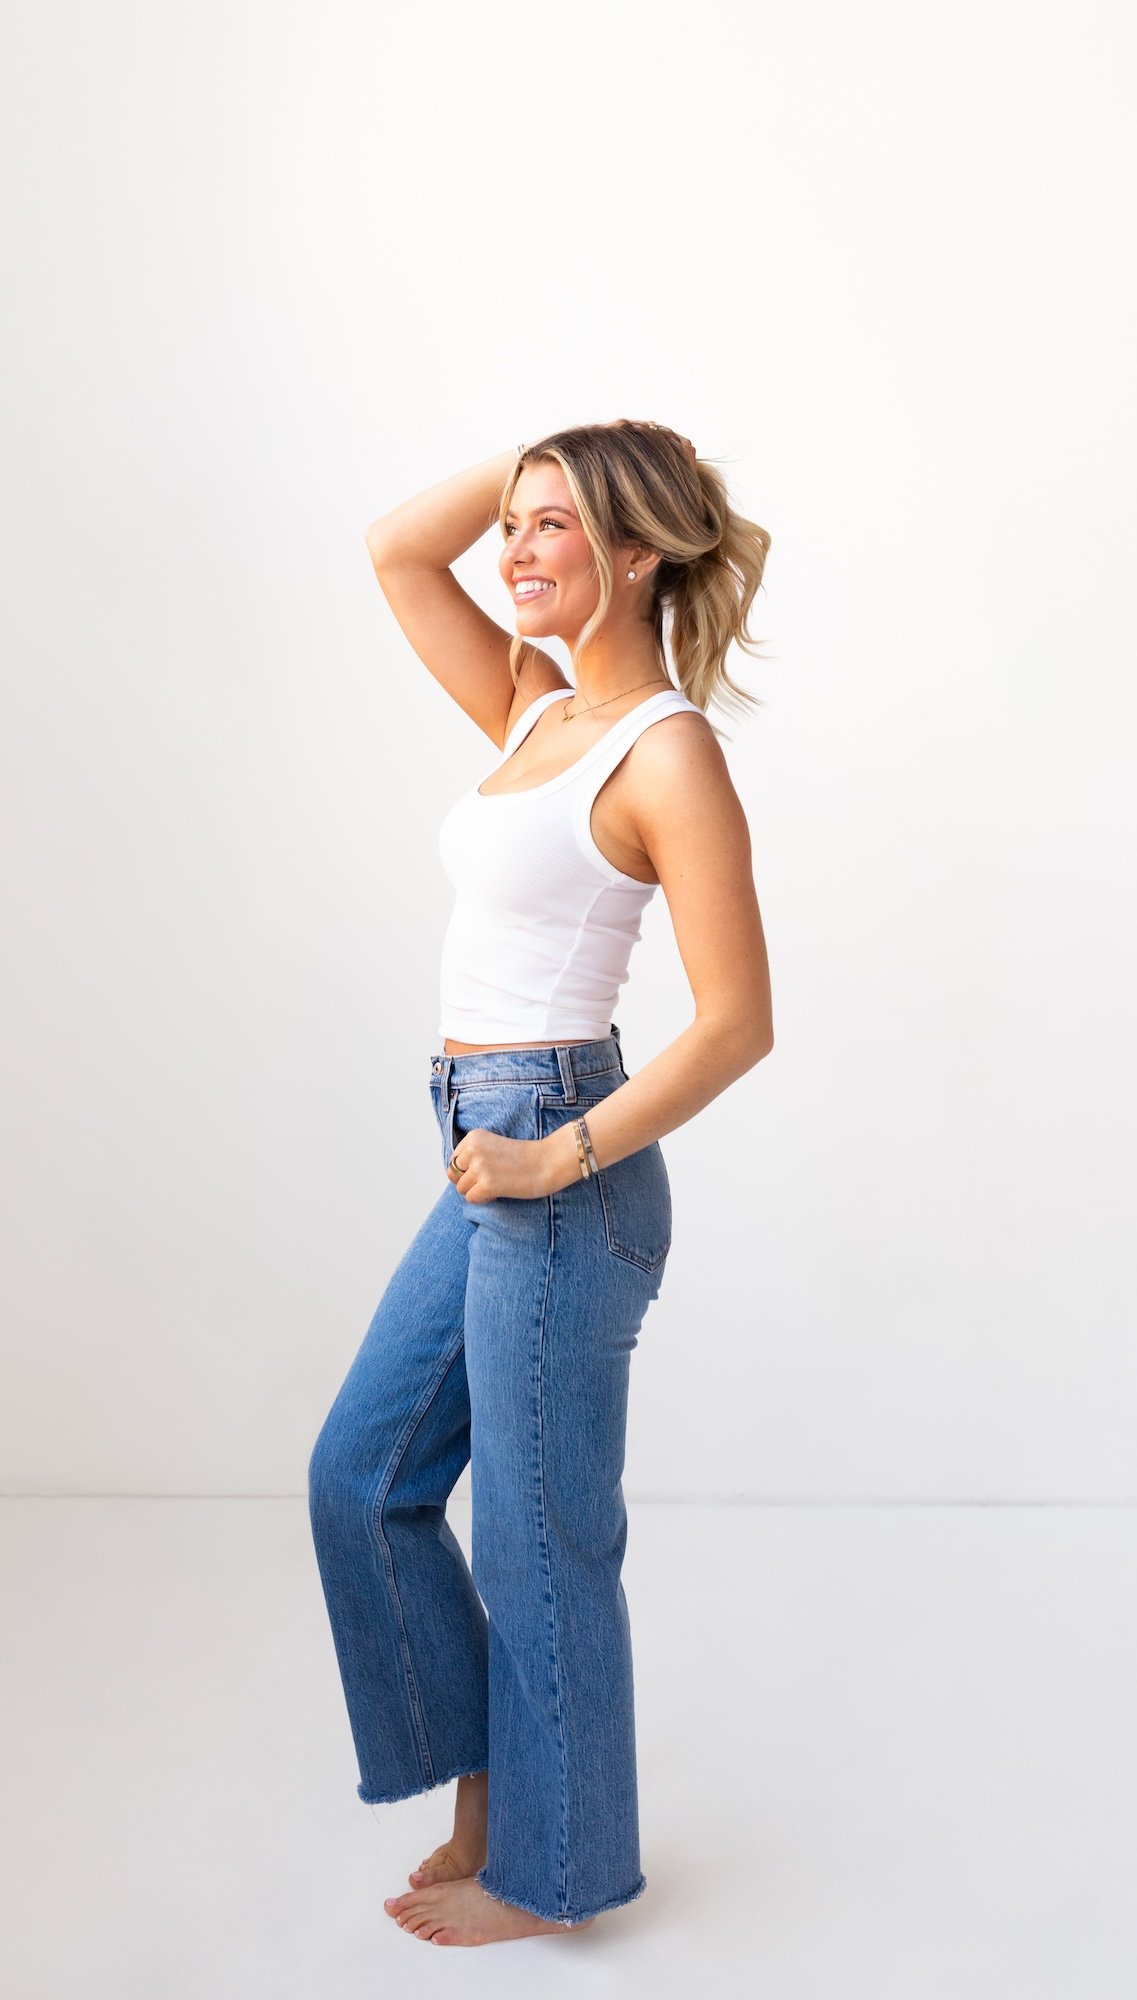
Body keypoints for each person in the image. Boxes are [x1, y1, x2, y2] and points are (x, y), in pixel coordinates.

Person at [307, 420, 775, 1947]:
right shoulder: (534, 707)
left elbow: (736, 1023)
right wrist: (544, 449)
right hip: (479, 1147)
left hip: (563, 1162)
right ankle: (494, 1793)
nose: (512, 548)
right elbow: (396, 548)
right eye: (511, 522)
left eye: (551, 526)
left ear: (633, 555)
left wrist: (552, 1155)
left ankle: (552, 1873)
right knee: (362, 1478)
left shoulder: (665, 752)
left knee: (537, 1540)